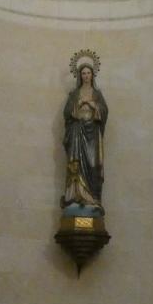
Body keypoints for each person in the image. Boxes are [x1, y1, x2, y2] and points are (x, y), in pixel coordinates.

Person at [61, 60, 108, 212]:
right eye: (83, 73)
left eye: (88, 73)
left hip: (92, 133)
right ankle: (76, 197)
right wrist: (79, 103)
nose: (86, 76)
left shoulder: (97, 94)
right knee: (76, 164)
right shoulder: (74, 94)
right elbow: (66, 113)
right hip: (77, 131)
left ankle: (93, 199)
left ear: (92, 75)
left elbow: (104, 111)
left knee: (94, 165)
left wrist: (95, 106)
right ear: (80, 76)